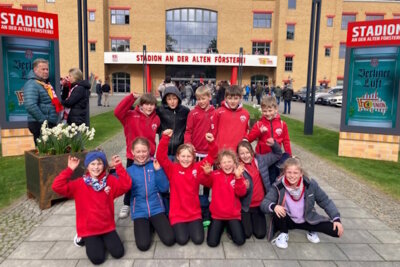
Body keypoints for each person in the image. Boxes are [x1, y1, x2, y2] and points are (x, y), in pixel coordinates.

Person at [52, 151, 132, 265]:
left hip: (106, 226)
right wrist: (69, 170)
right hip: (89, 228)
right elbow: (56, 186)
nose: (96, 167)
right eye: (92, 164)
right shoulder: (79, 184)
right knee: (97, 259)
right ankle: (82, 238)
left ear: (104, 165)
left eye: (99, 164)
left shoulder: (110, 181)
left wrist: (119, 167)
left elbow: (126, 185)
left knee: (118, 253)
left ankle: (101, 239)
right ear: (87, 166)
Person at [261, 157, 344, 249]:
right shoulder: (278, 186)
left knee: (336, 231)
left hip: (306, 218)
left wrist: (336, 218)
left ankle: (311, 228)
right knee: (277, 211)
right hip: (288, 220)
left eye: (295, 173)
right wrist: (274, 206)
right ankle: (284, 232)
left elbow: (325, 201)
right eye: (289, 172)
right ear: (284, 172)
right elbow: (265, 203)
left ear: (301, 173)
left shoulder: (311, 185)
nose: (292, 176)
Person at [156, 129, 217, 245]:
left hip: (194, 213)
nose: (186, 159)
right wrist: (165, 138)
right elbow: (160, 156)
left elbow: (212, 156)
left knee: (198, 240)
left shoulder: (197, 167)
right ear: (178, 157)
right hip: (177, 213)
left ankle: (194, 225)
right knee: (182, 240)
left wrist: (211, 143)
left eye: (189, 156)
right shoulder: (172, 169)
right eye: (183, 156)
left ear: (193, 157)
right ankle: (182, 227)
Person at [114, 93, 160, 219]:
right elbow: (117, 112)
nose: (149, 108)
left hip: (149, 156)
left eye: (152, 105)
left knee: (148, 179)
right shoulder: (130, 115)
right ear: (140, 105)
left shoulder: (156, 119)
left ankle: (147, 201)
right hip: (133, 156)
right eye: (146, 104)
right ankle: (126, 203)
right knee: (129, 180)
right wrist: (131, 97)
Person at [127, 137, 175, 251]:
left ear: (149, 151)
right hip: (139, 211)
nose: (141, 154)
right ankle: (148, 225)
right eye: (138, 151)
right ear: (132, 152)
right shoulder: (129, 171)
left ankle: (153, 224)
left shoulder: (155, 165)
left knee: (170, 240)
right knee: (143, 246)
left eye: (144, 151)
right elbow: (117, 185)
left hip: (156, 208)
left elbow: (164, 188)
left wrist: (158, 170)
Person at [237, 139, 282, 239]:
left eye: (247, 152)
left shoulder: (261, 160)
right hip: (245, 206)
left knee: (260, 234)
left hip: (260, 205)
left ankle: (255, 220)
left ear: (252, 152)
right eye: (242, 153)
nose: (245, 156)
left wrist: (274, 144)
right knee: (247, 234)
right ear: (238, 155)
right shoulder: (237, 167)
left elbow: (278, 154)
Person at [201, 150, 247, 247]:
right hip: (217, 215)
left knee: (240, 241)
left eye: (229, 161)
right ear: (220, 165)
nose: (227, 165)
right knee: (212, 243)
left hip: (233, 215)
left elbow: (241, 193)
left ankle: (228, 226)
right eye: (224, 162)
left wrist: (238, 178)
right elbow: (204, 182)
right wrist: (206, 174)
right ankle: (221, 226)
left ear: (234, 163)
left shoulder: (238, 176)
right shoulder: (215, 174)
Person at [184, 85, 215, 226]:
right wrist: (188, 145)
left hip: (209, 153)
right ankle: (194, 203)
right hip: (196, 152)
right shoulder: (193, 113)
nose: (201, 101)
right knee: (195, 178)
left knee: (207, 178)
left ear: (210, 97)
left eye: (204, 98)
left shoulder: (216, 112)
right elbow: (188, 131)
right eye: (198, 99)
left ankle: (206, 203)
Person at [245, 96, 291, 184]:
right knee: (263, 181)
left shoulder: (282, 124)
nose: (267, 113)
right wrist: (259, 132)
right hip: (262, 158)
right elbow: (249, 139)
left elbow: (286, 141)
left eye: (270, 111)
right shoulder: (259, 124)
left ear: (276, 109)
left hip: (276, 158)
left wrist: (289, 155)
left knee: (275, 179)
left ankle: (274, 196)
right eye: (264, 111)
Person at [24, 58, 60, 144]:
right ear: (35, 70)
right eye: (43, 69)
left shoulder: (43, 83)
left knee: (49, 152)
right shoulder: (32, 84)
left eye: (47, 69)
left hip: (46, 124)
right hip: (39, 124)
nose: (46, 71)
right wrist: (44, 121)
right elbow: (30, 105)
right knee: (44, 153)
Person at [211, 85, 250, 151]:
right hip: (222, 150)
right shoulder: (219, 112)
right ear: (225, 98)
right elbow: (213, 132)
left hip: (238, 151)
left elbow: (246, 131)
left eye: (235, 98)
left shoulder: (245, 114)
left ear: (240, 98)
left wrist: (245, 139)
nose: (232, 101)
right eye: (230, 98)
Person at [157, 85, 190, 157]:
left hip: (180, 150)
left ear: (178, 99)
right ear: (165, 99)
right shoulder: (160, 110)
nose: (172, 102)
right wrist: (161, 133)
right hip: (165, 149)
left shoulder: (185, 111)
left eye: (174, 98)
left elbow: (189, 129)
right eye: (169, 99)